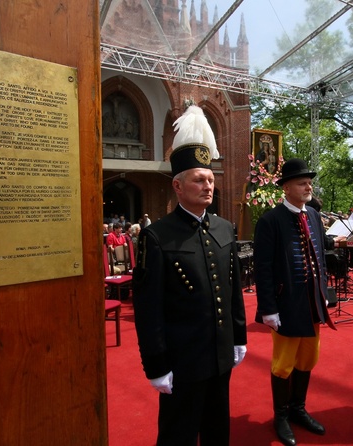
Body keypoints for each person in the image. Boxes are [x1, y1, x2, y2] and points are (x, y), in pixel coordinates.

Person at [132, 105, 247, 446]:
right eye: (199, 179)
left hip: (220, 356)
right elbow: (149, 310)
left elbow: (233, 291)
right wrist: (156, 365)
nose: (208, 185)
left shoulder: (226, 229)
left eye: (211, 179)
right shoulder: (157, 237)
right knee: (177, 435)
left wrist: (238, 337)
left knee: (217, 431)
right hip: (182, 362)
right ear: (178, 187)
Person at [253, 158, 340, 446]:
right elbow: (263, 268)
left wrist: (324, 294)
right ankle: (281, 415)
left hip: (312, 304)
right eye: (302, 182)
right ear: (286, 187)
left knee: (308, 358)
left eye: (309, 182)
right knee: (283, 364)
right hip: (285, 305)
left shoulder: (313, 216)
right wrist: (268, 308)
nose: (308, 186)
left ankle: (298, 409)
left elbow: (321, 262)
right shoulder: (269, 221)